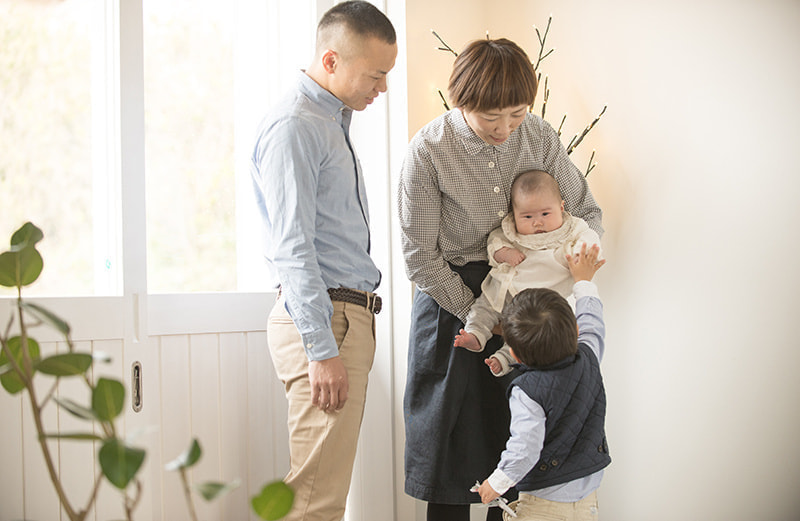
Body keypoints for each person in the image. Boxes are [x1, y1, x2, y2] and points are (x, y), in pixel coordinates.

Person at [398, 37, 603, 521]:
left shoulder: (539, 137)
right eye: (491, 117)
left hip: (530, 305)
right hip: (451, 299)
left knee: (517, 441)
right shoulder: (428, 150)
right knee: (449, 450)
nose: (505, 128)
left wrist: (565, 274)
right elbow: (419, 257)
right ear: (461, 100)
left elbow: (586, 212)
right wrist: (481, 316)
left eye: (517, 113)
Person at [249, 2, 396, 520]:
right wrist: (321, 347)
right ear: (331, 60)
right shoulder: (296, 126)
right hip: (328, 319)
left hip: (343, 317)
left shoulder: (330, 121)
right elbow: (292, 247)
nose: (383, 88)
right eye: (375, 75)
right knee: (314, 502)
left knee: (320, 495)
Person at [476, 244, 610, 521]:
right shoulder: (589, 355)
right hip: (588, 497)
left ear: (514, 354)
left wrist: (497, 482)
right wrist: (583, 281)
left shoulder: (527, 392)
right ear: (574, 329)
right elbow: (592, 321)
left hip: (543, 503)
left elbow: (525, 446)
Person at [453, 170, 602, 377]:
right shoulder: (511, 230)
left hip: (541, 303)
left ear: (561, 208)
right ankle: (475, 333)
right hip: (506, 288)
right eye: (527, 216)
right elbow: (495, 242)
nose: (537, 222)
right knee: (483, 307)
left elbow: (590, 238)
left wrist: (580, 255)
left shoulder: (572, 230)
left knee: (529, 334)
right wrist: (503, 253)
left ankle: (503, 359)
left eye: (545, 214)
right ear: (514, 216)